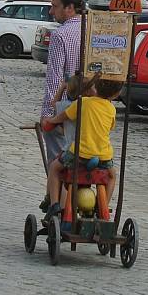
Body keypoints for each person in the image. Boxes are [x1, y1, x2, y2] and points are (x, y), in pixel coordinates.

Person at [41, 78, 123, 220]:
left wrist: (50, 121)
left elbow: (60, 118)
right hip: (103, 157)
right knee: (111, 176)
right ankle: (101, 206)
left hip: (79, 154)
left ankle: (54, 204)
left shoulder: (82, 103)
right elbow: (110, 127)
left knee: (54, 168)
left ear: (95, 88)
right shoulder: (111, 109)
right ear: (115, 95)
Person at [40, 0, 83, 165]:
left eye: (55, 6)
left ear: (69, 7)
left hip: (63, 111)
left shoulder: (60, 35)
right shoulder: (92, 31)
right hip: (90, 110)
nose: (51, 11)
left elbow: (55, 77)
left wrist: (49, 114)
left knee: (59, 166)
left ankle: (57, 194)